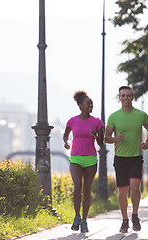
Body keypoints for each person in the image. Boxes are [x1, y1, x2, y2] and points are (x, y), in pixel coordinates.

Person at [105, 86, 148, 234]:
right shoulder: (114, 116)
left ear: (133, 97)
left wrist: (146, 143)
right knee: (122, 191)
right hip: (120, 158)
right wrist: (115, 139)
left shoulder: (141, 115)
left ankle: (135, 216)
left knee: (134, 187)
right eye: (123, 95)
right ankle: (125, 220)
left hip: (136, 157)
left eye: (128, 95)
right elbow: (106, 137)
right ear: (119, 98)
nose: (125, 98)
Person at [63, 91, 104, 233]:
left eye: (91, 103)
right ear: (80, 106)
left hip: (91, 159)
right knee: (77, 187)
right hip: (75, 158)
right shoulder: (72, 121)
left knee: (87, 190)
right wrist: (66, 143)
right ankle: (77, 216)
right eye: (88, 103)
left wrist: (96, 136)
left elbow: (102, 144)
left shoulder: (97, 122)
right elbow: (65, 135)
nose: (90, 105)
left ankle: (85, 220)